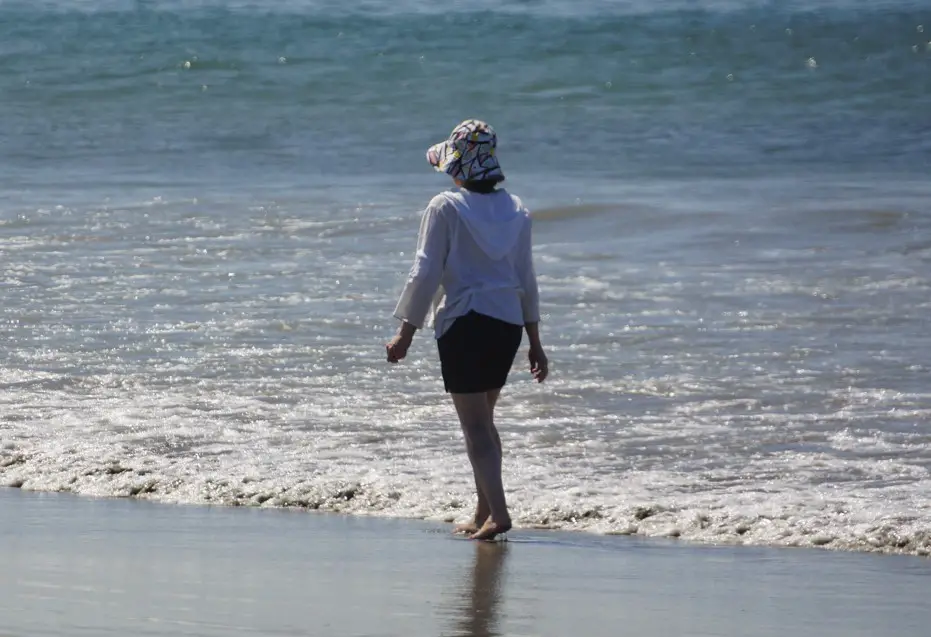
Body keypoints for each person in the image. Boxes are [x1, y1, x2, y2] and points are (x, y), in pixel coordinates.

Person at [386, 119, 548, 541]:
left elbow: (425, 271)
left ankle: (499, 512)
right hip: (507, 324)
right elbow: (526, 278)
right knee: (485, 423)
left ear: (457, 167)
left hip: (465, 323)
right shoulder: (516, 209)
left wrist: (406, 332)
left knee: (475, 428)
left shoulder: (446, 206)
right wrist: (535, 341)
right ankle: (482, 511)